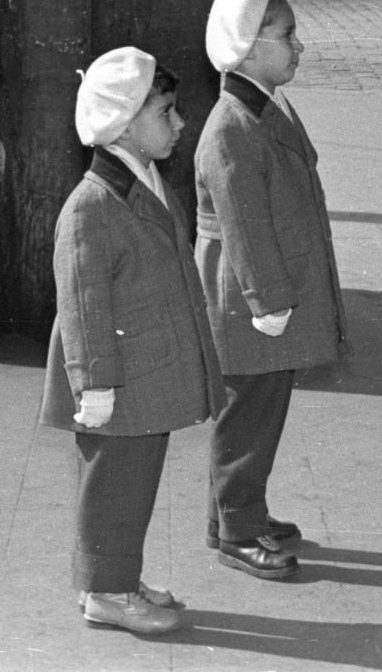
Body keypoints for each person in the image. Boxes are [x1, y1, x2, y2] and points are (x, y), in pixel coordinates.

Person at [39, 47, 227, 637]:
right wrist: (93, 383)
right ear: (122, 124)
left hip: (142, 372)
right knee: (113, 487)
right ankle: (107, 594)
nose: (180, 123)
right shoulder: (92, 205)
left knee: (130, 484)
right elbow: (82, 300)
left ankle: (115, 578)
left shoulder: (142, 183)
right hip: (116, 378)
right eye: (165, 112)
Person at [196, 0, 350, 581]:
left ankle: (233, 513)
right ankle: (238, 528)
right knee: (250, 414)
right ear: (248, 44)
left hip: (266, 292)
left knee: (259, 407)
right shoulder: (232, 126)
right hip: (252, 297)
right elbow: (244, 228)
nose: (299, 46)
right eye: (287, 35)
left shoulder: (262, 105)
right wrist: (268, 302)